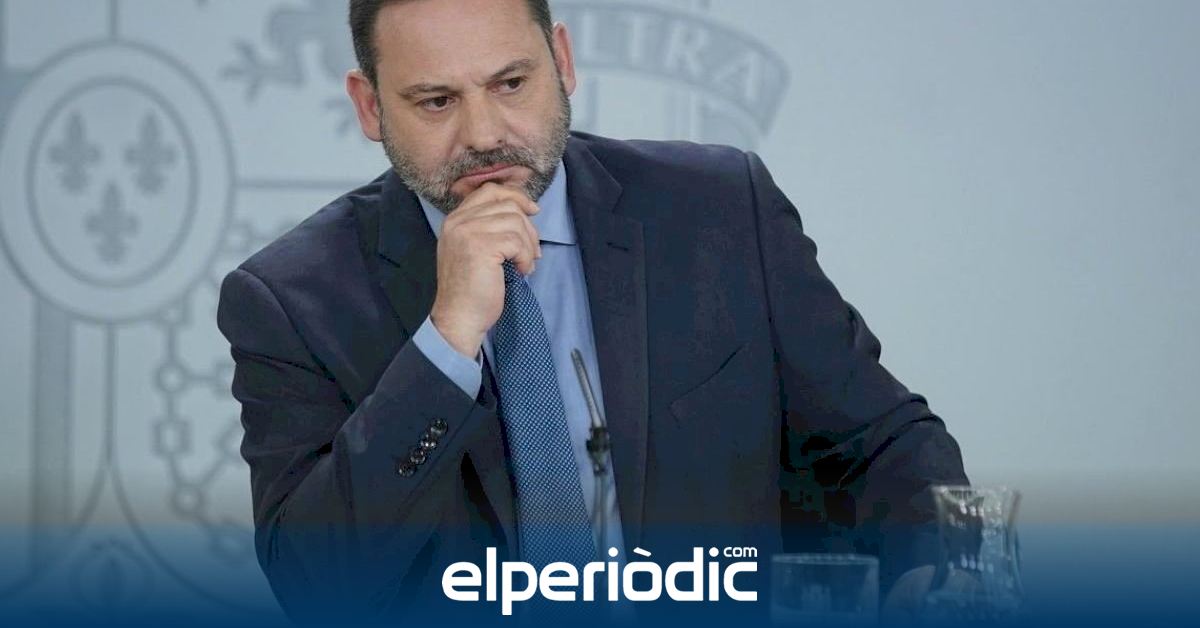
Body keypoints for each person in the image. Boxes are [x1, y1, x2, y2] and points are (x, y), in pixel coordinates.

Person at [216, 0, 969, 623]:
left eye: (512, 83)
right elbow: (315, 584)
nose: (484, 134)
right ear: (370, 106)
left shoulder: (720, 211)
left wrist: (934, 574)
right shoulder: (290, 301)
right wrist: (446, 342)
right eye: (437, 101)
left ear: (563, 61)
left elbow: (883, 444)